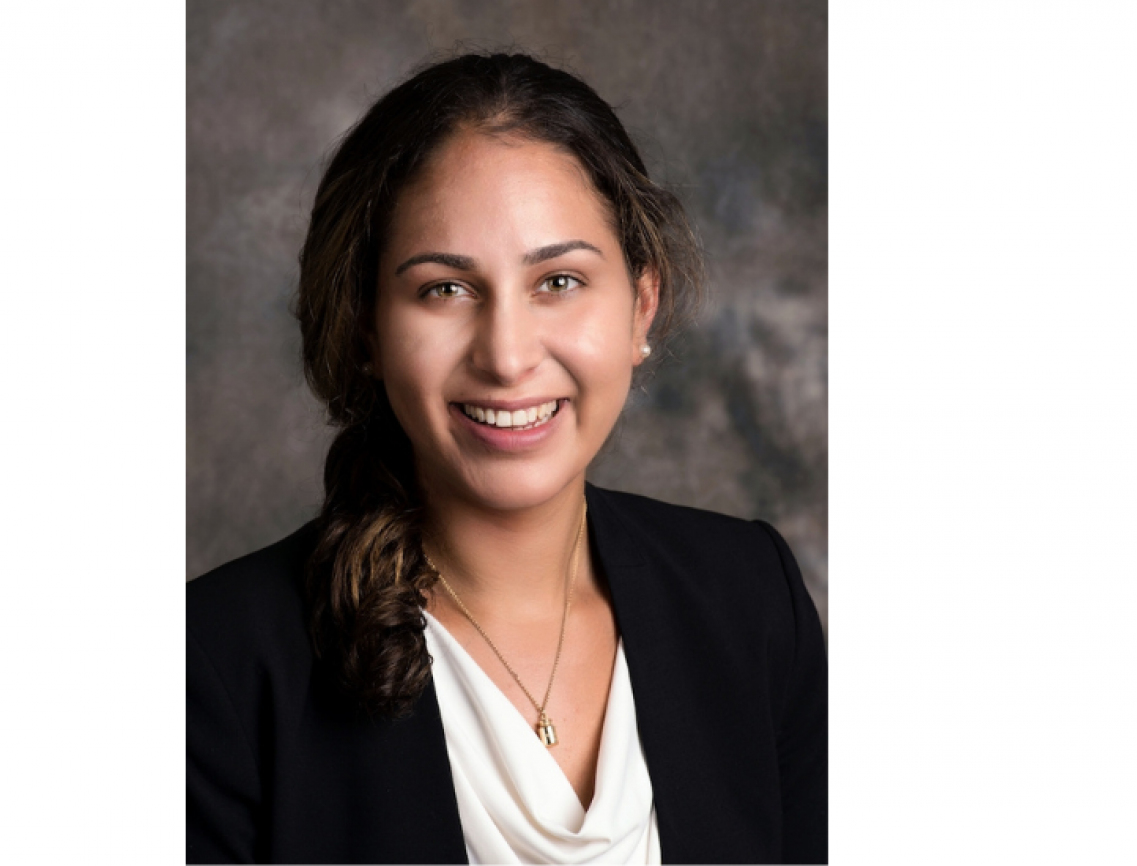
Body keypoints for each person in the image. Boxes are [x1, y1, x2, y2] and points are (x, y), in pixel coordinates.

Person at [187, 52, 827, 864]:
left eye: (558, 281)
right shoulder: (216, 663)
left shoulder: (749, 600)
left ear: (642, 306)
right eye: (444, 290)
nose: (507, 355)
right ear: (366, 330)